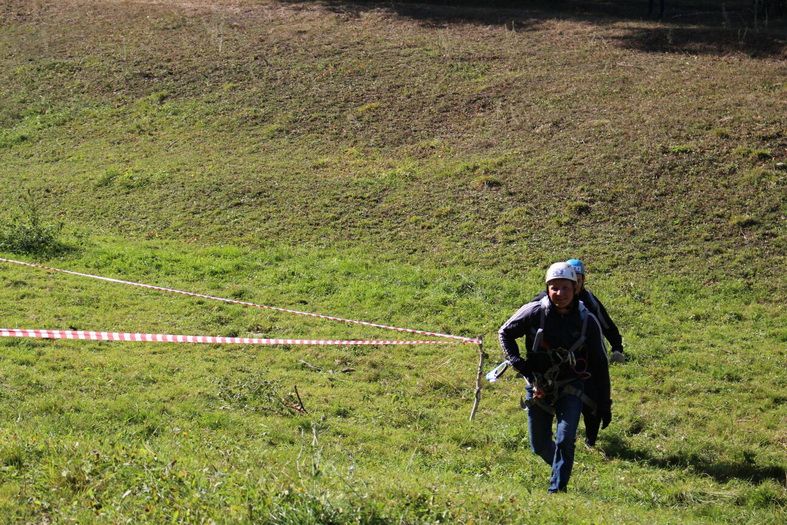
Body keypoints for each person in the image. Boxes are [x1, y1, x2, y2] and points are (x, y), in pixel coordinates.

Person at [498, 262, 612, 493]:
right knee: (539, 445)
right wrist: (518, 363)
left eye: (565, 288)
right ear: (547, 288)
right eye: (554, 288)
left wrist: (604, 402)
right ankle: (561, 469)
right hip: (538, 384)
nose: (560, 294)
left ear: (575, 288)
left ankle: (557, 490)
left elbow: (600, 364)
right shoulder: (534, 312)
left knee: (565, 438)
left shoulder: (587, 320)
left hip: (571, 387)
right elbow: (505, 333)